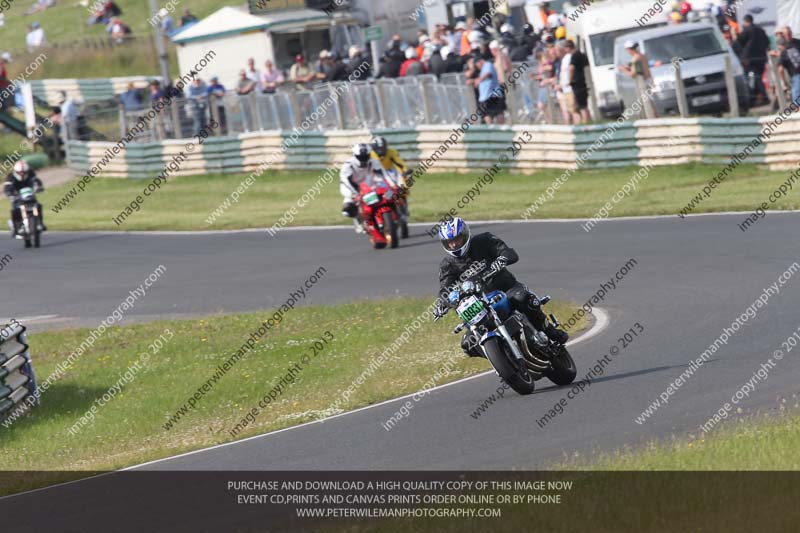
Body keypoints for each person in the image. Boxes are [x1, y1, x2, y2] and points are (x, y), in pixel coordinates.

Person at [433, 217, 569, 357]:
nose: (454, 244)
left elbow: (509, 252)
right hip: (480, 305)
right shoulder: (447, 265)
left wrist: (502, 259)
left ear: (465, 234)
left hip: (506, 288)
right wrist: (443, 303)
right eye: (450, 242)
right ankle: (503, 358)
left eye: (457, 239)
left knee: (524, 299)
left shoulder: (484, 240)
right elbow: (445, 289)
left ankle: (550, 332)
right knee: (468, 344)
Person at [339, 143, 393, 233]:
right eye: (361, 157)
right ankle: (358, 221)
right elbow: (346, 181)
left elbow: (384, 175)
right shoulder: (348, 165)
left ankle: (389, 216)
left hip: (368, 184)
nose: (363, 159)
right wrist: (356, 193)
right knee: (347, 210)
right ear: (355, 156)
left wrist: (391, 185)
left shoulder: (374, 162)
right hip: (350, 187)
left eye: (366, 156)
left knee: (389, 194)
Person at [4, 160, 46, 237]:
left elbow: (36, 181)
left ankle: (40, 223)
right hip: (17, 197)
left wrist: (39, 187)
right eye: (20, 172)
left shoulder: (31, 174)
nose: (22, 174)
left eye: (24, 172)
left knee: (38, 206)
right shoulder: (10, 177)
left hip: (29, 195)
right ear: (16, 172)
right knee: (15, 210)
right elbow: (7, 186)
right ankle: (16, 227)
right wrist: (9, 193)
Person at [736, 14, 771, 106]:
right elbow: (767, 42)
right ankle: (756, 98)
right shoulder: (760, 30)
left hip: (750, 59)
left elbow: (739, 41)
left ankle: (764, 97)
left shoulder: (746, 30)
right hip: (762, 58)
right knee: (757, 77)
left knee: (755, 77)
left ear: (745, 21)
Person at [472, 53, 505, 124]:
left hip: (491, 95)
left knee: (495, 112)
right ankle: (492, 129)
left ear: (479, 62)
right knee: (488, 114)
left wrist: (479, 80)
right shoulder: (483, 69)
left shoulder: (488, 65)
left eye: (477, 64)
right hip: (486, 96)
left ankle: (500, 129)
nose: (477, 67)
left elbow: (488, 74)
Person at [565, 40, 590, 123]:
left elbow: (571, 68)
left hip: (577, 83)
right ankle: (588, 121)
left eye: (566, 48)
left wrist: (570, 80)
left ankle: (586, 123)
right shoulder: (582, 54)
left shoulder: (574, 56)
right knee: (584, 105)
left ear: (569, 47)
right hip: (583, 81)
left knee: (581, 106)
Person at [777, 36, 800, 104]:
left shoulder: (784, 53)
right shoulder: (795, 48)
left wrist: (783, 82)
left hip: (796, 76)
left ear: (779, 46)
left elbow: (780, 69)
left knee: (796, 95)